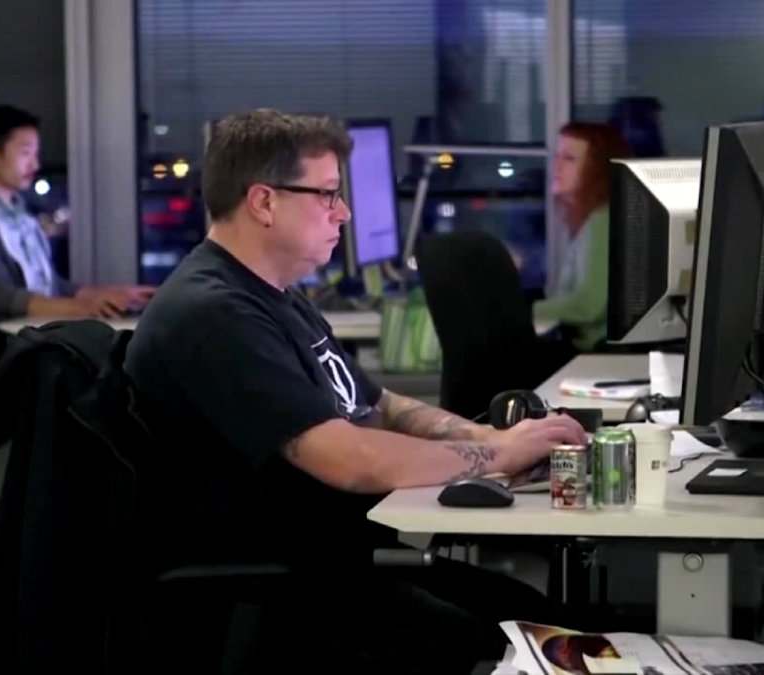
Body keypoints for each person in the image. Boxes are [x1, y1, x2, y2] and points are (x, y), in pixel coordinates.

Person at [124, 109, 587, 672]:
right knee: (520, 650)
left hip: (331, 565)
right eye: (326, 194)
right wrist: (497, 457)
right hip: (280, 594)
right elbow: (349, 459)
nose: (342, 212)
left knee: (541, 618)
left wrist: (490, 437)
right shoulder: (214, 315)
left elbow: (377, 405)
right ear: (264, 202)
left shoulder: (275, 294)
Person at [0, 105, 153, 320]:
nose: (35, 165)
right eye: (25, 153)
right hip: (10, 335)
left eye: (36, 154)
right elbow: (1, 298)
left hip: (40, 327)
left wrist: (111, 295)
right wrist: (84, 309)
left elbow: (49, 286)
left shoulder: (22, 213)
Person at [534, 122, 633, 354]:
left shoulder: (602, 220)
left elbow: (588, 306)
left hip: (597, 355)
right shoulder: (592, 218)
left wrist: (513, 312)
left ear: (597, 168)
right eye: (557, 156)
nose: (556, 166)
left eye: (569, 159)